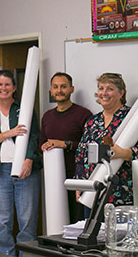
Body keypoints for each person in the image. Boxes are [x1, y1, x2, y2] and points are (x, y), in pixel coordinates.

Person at [0, 70, 41, 256]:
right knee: (2, 221)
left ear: (14, 88)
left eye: (7, 84)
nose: (3, 88)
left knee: (27, 221)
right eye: (0, 85)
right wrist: (7, 133)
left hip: (25, 171)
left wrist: (29, 159)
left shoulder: (25, 108)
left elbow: (34, 137)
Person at [75, 73, 138, 210]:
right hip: (93, 192)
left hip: (122, 193)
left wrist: (123, 153)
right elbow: (81, 155)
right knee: (93, 231)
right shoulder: (92, 122)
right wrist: (80, 183)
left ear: (121, 93)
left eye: (110, 89)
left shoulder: (132, 120)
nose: (104, 93)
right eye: (101, 88)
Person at [40, 72, 92, 223]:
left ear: (72, 89)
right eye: (55, 87)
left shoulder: (84, 114)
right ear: (51, 90)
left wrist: (65, 144)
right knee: (56, 223)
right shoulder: (47, 116)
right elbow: (41, 143)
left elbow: (90, 147)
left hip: (77, 179)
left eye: (63, 87)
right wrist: (44, 146)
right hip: (54, 178)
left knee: (77, 222)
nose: (59, 90)